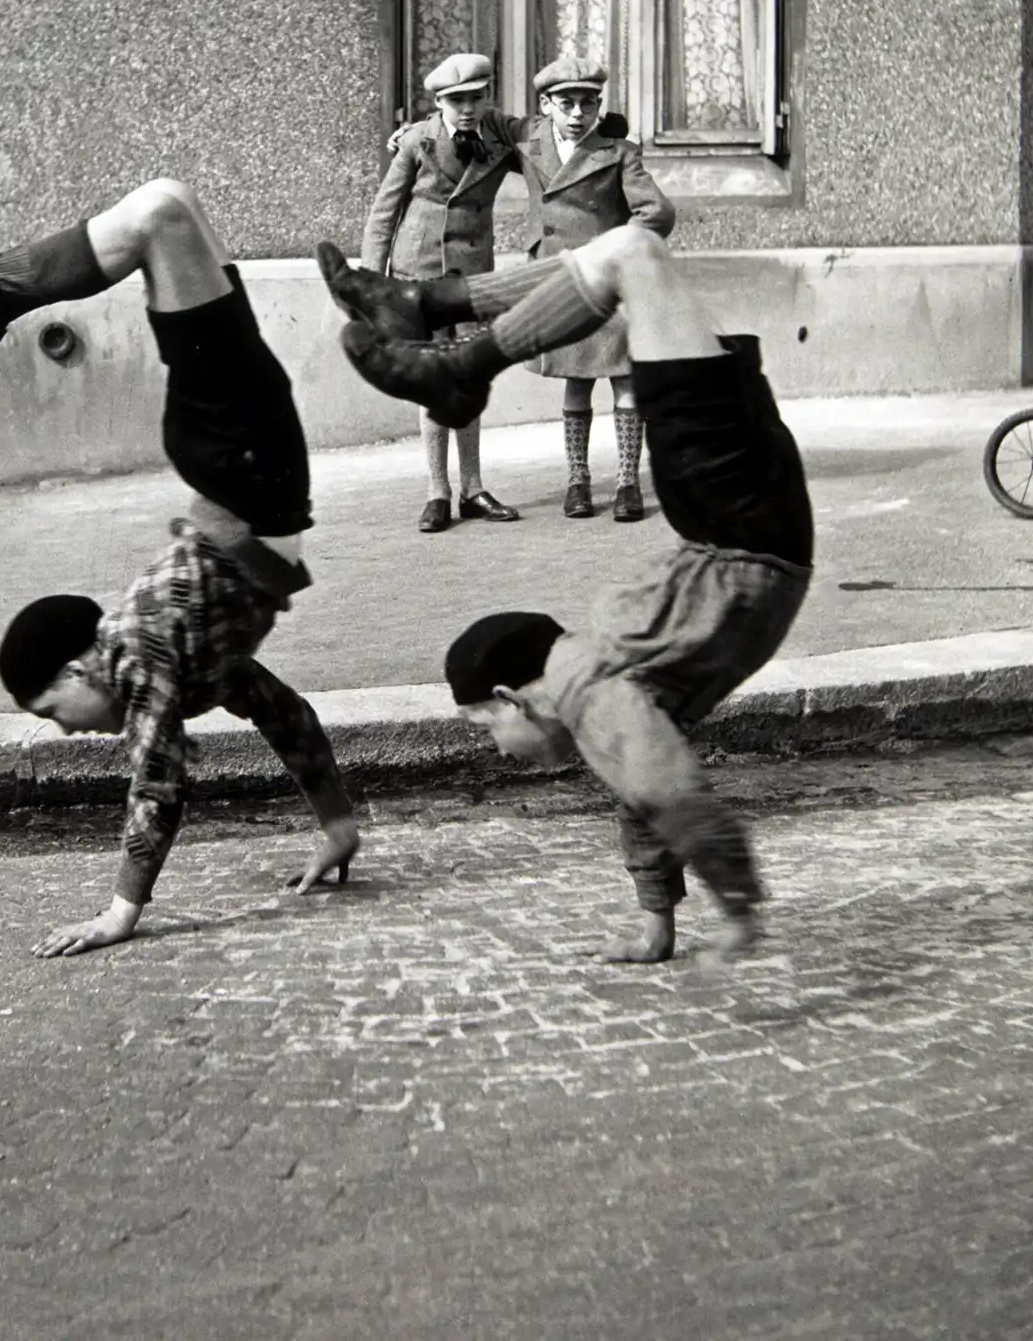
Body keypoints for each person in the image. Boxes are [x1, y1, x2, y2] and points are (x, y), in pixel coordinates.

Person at [0, 179, 361, 957]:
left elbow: (159, 782)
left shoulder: (143, 652)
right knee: (167, 212)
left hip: (243, 462)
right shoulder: (193, 665)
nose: (69, 732)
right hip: (248, 463)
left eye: (53, 712)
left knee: (161, 214)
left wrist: (121, 911)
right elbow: (285, 713)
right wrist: (338, 826)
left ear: (81, 667)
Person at [316, 221, 813, 962]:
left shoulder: (583, 685)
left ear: (517, 697)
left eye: (486, 726)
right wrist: (659, 921)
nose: (497, 748)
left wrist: (736, 904)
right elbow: (643, 789)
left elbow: (661, 786)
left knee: (633, 255)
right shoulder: (597, 687)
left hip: (741, 515)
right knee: (633, 255)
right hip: (733, 512)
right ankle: (430, 316)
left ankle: (451, 353)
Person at [360, 51, 524, 533]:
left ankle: (473, 488)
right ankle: (438, 491)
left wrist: (609, 136)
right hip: (420, 273)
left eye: (476, 97)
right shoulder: (417, 140)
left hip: (471, 278)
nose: (468, 109)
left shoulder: (499, 138)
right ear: (439, 102)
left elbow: (546, 144)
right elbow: (383, 214)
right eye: (457, 101)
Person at [518, 58, 674, 522]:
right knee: (576, 380)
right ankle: (578, 481)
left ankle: (628, 482)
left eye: (588, 104)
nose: (577, 114)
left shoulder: (619, 152)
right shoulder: (530, 146)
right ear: (546, 105)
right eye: (566, 103)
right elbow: (475, 128)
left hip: (610, 284)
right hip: (562, 282)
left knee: (625, 378)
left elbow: (658, 213)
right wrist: (407, 135)